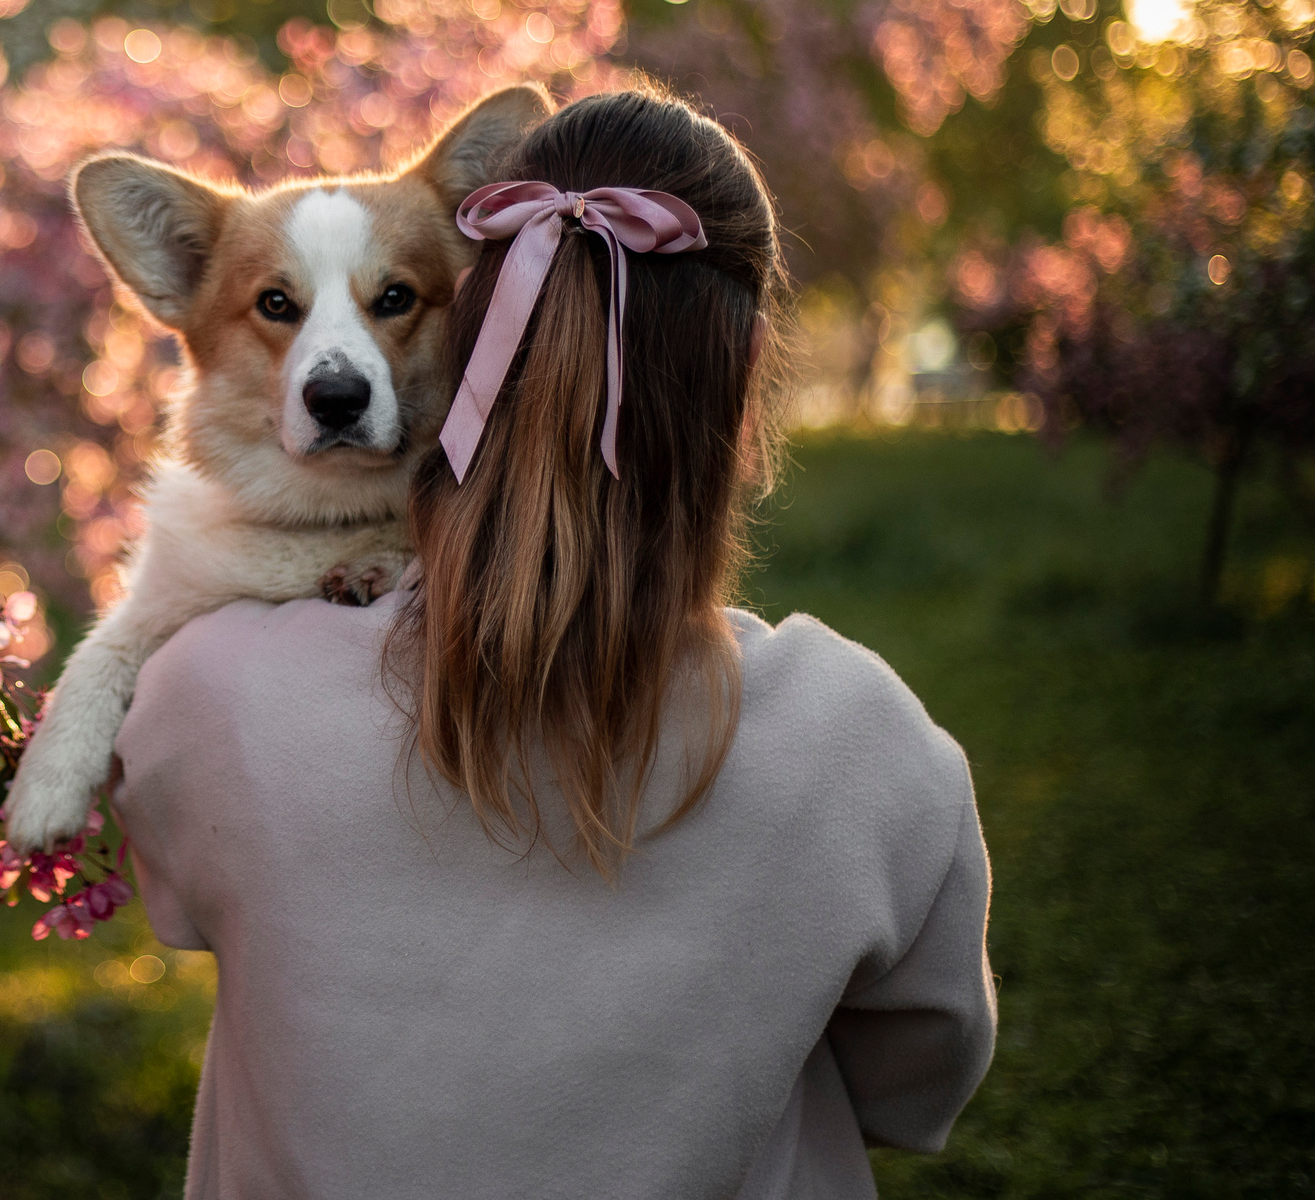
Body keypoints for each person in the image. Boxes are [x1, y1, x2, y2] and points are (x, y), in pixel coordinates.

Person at [111, 89, 996, 1199]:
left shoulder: (210, 694)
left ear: (467, 343)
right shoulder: (865, 745)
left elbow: (187, 909)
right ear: (751, 359)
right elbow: (920, 1087)